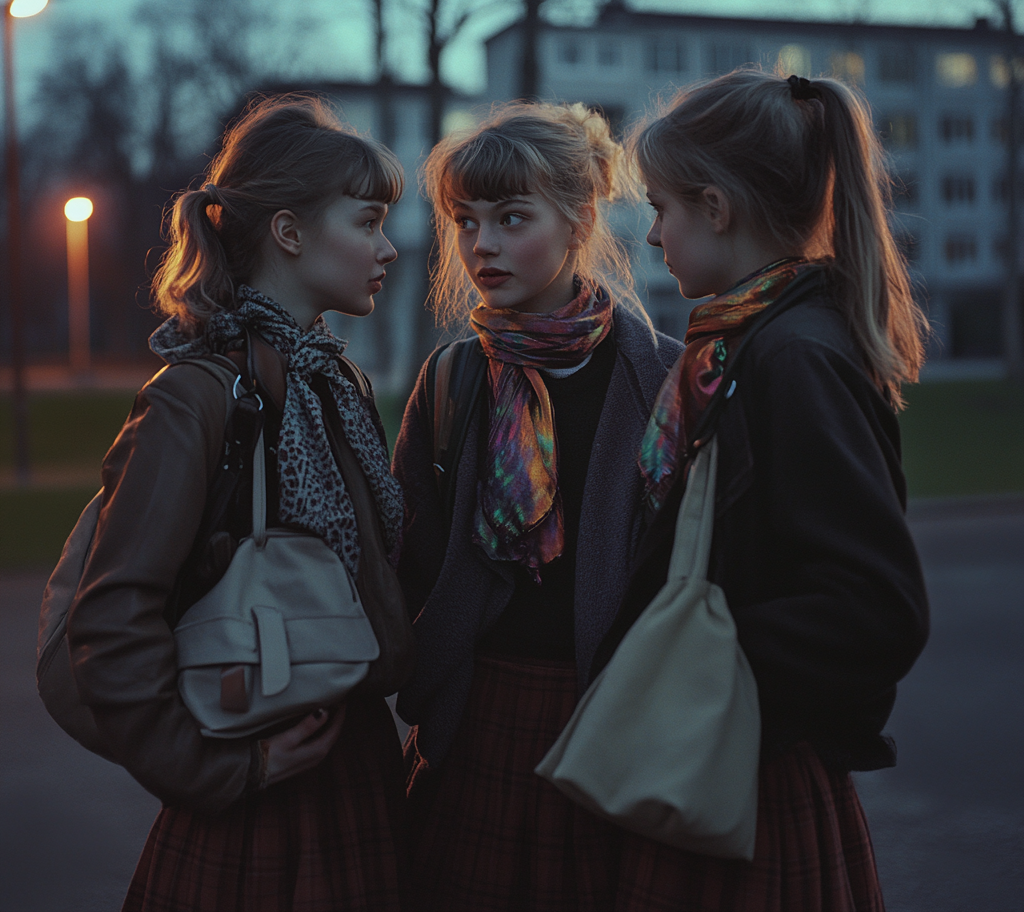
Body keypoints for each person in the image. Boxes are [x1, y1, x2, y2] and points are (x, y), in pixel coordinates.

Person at [590, 69, 930, 911]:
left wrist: (702, 671)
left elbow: (874, 607)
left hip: (748, 778)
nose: (653, 234)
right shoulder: (745, 341)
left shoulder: (792, 356)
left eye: (663, 208)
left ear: (717, 207)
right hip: (720, 767)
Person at [67, 96, 410, 912]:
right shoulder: (195, 395)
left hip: (355, 768)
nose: (388, 248)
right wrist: (223, 771)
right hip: (254, 800)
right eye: (365, 223)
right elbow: (111, 624)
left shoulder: (335, 381)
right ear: (288, 234)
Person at [391, 102, 684, 911]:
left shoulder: (664, 379)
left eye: (511, 218)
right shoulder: (451, 381)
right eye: (465, 220)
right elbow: (403, 559)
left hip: (614, 725)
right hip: (477, 724)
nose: (482, 244)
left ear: (580, 219)